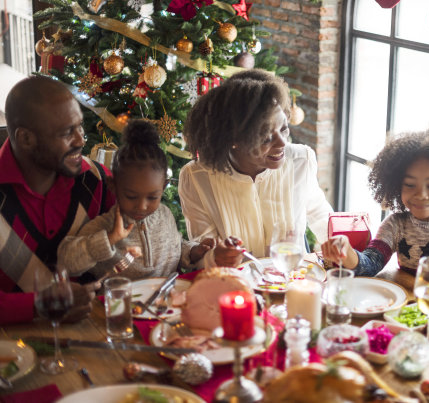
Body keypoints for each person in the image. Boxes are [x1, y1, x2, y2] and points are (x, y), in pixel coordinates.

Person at [322, 124, 429, 306]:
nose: (421, 195)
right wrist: (346, 252)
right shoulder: (397, 224)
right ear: (397, 185)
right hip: (413, 312)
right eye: (410, 185)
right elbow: (370, 265)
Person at [178, 69, 332, 268]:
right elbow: (202, 251)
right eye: (266, 138)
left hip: (293, 285)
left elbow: (322, 217)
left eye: (284, 128)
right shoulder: (196, 177)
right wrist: (215, 257)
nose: (282, 143)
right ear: (233, 139)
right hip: (235, 289)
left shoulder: (301, 160)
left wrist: (341, 244)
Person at [0, 76, 113, 324]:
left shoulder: (97, 181)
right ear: (26, 139)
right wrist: (39, 307)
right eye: (66, 133)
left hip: (98, 343)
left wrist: (197, 255)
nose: (81, 140)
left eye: (80, 127)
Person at [58, 120, 214, 280]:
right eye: (131, 196)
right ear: (113, 186)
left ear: (164, 187)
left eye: (152, 197)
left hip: (170, 298)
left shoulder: (165, 214)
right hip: (122, 302)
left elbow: (176, 247)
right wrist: (110, 239)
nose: (142, 206)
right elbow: (66, 263)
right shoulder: (103, 227)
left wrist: (194, 252)